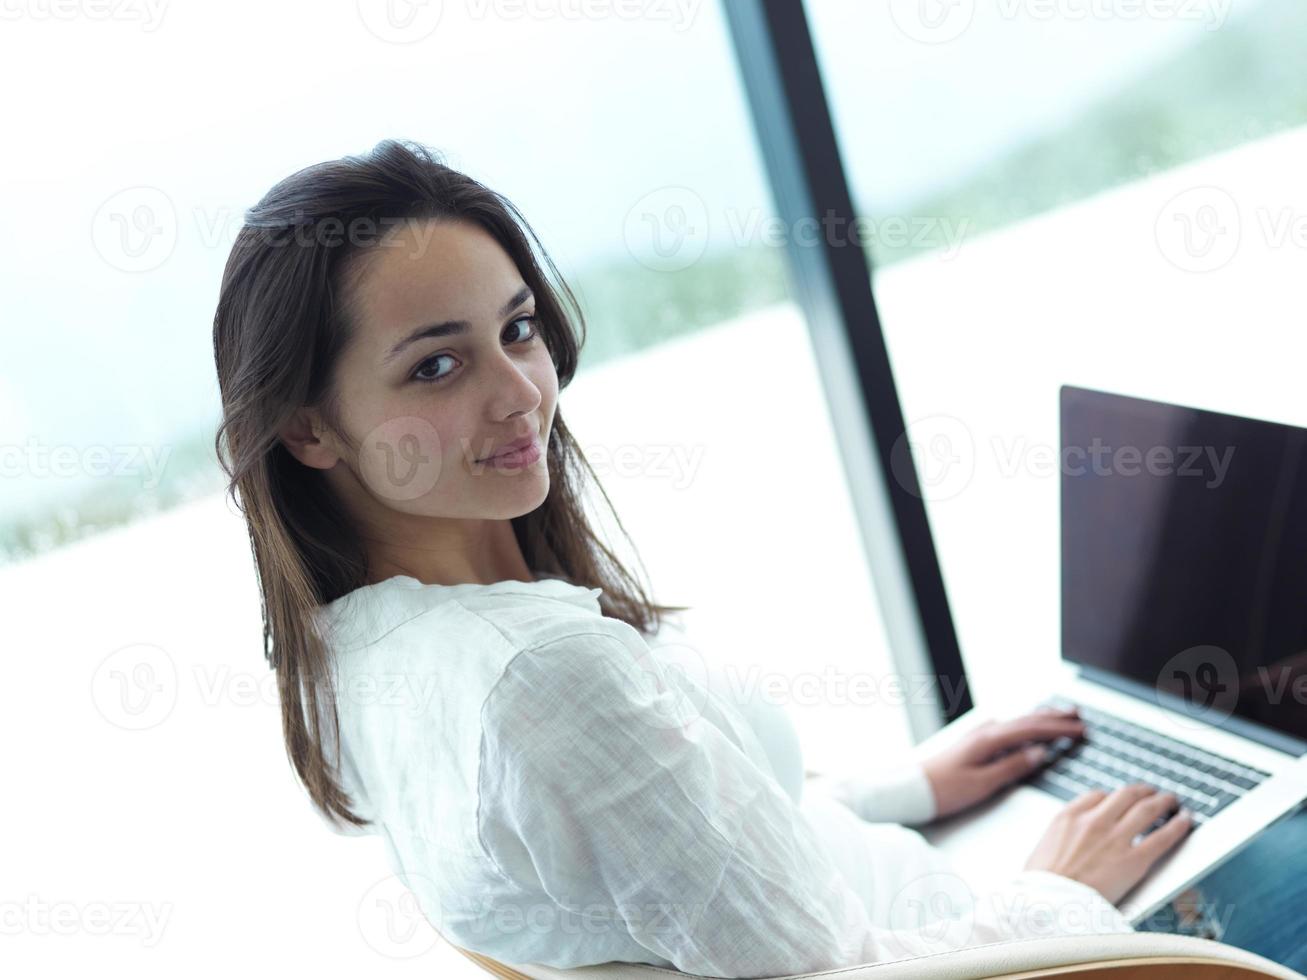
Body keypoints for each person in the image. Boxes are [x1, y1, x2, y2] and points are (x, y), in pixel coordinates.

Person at [210, 139, 1301, 978]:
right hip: (1030, 952)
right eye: (436, 365)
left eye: (518, 328)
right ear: (307, 428)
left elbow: (668, 857)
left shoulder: (358, 651)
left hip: (958, 902)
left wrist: (907, 785)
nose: (518, 393)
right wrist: (1060, 889)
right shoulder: (540, 681)